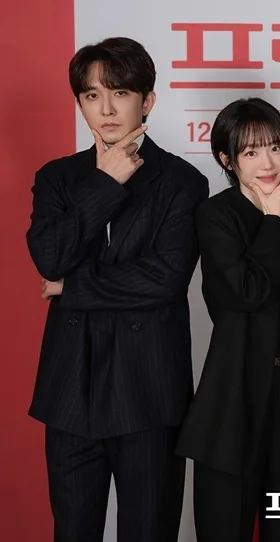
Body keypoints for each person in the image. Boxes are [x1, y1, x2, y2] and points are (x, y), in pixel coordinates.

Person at [25, 37, 209, 541]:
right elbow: (49, 257)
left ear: (147, 100)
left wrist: (69, 287)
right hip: (70, 388)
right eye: (92, 95)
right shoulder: (58, 178)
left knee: (149, 529)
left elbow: (163, 280)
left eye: (120, 93)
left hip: (147, 388)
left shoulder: (183, 181)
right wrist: (104, 183)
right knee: (72, 530)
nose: (105, 109)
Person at [175, 98, 280, 542]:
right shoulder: (215, 215)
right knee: (224, 528)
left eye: (276, 147)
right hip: (233, 400)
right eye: (252, 152)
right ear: (227, 159)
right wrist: (273, 221)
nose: (268, 163)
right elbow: (246, 292)